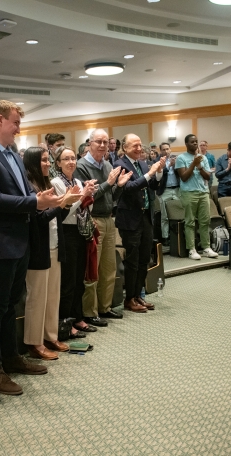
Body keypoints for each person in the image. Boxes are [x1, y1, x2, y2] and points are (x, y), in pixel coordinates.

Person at [0, 100, 63, 396]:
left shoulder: (12, 154)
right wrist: (36, 202)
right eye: (15, 122)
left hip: (19, 240)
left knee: (11, 304)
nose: (19, 128)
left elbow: (21, 193)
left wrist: (41, 199)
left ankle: (11, 357)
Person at [22, 147, 82, 359]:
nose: (48, 164)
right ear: (32, 163)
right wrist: (63, 203)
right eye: (44, 161)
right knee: (37, 298)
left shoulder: (46, 183)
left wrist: (64, 203)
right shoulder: (29, 186)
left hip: (55, 243)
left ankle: (50, 336)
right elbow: (38, 219)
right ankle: (34, 342)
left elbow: (54, 215)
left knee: (52, 295)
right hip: (38, 247)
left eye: (48, 160)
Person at [74, 128, 131, 326]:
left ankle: (104, 308)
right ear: (89, 143)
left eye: (105, 142)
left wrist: (120, 186)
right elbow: (88, 198)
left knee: (109, 268)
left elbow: (110, 197)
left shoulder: (107, 164)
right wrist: (108, 183)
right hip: (92, 220)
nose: (102, 145)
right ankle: (89, 312)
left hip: (108, 219)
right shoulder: (80, 166)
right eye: (98, 141)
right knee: (93, 270)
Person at [114, 134, 165, 313]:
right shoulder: (120, 164)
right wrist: (150, 173)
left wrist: (158, 173)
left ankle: (138, 296)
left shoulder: (142, 164)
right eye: (134, 145)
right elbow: (127, 188)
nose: (139, 148)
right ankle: (129, 299)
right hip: (129, 219)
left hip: (145, 216)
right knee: (133, 261)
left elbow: (152, 187)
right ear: (125, 148)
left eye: (139, 145)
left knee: (144, 258)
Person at [51, 146, 98, 336]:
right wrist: (82, 197)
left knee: (79, 278)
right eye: (66, 159)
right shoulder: (56, 183)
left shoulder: (78, 180)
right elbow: (64, 213)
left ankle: (78, 317)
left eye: (73, 158)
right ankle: (65, 321)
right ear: (58, 163)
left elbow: (85, 210)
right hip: (67, 232)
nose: (71, 162)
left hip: (81, 232)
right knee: (68, 280)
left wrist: (89, 197)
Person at [176, 134, 219, 261]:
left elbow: (207, 177)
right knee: (190, 222)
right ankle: (192, 249)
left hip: (203, 192)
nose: (195, 144)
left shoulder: (203, 158)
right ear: (186, 144)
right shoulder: (181, 158)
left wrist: (199, 166)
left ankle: (206, 247)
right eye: (192, 142)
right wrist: (193, 164)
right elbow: (183, 177)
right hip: (189, 193)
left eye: (196, 142)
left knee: (205, 221)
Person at [155, 142, 179, 245]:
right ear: (160, 151)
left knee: (179, 214)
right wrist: (169, 165)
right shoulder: (158, 162)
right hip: (165, 191)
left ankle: (178, 235)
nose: (166, 151)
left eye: (167, 149)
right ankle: (165, 237)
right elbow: (159, 174)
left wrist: (175, 165)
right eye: (163, 149)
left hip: (177, 190)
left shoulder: (177, 160)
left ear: (170, 149)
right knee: (164, 216)